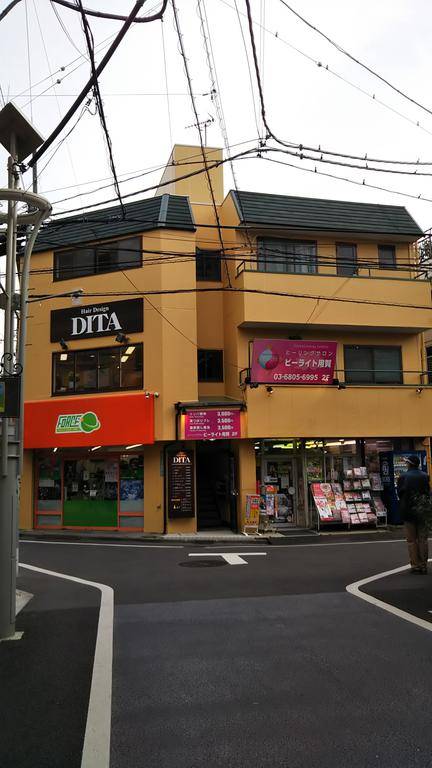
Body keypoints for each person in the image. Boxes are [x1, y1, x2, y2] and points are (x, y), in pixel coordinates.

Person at [397, 455, 430, 574]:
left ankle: (415, 565)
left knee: (411, 540)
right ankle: (423, 565)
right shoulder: (425, 476)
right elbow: (427, 493)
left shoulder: (403, 477)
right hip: (423, 511)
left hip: (408, 511)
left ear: (409, 464)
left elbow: (400, 493)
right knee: (423, 539)